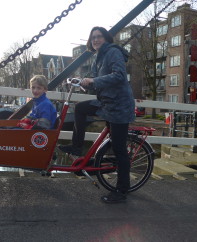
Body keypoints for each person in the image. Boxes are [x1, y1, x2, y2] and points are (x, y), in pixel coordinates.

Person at [59, 26, 135, 203]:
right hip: (106, 103)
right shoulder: (97, 58)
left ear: (106, 38)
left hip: (119, 106)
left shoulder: (113, 52)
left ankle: (121, 191)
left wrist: (93, 80)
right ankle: (77, 147)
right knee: (80, 108)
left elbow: (119, 75)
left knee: (119, 150)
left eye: (99, 36)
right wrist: (81, 83)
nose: (95, 40)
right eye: (93, 37)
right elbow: (96, 83)